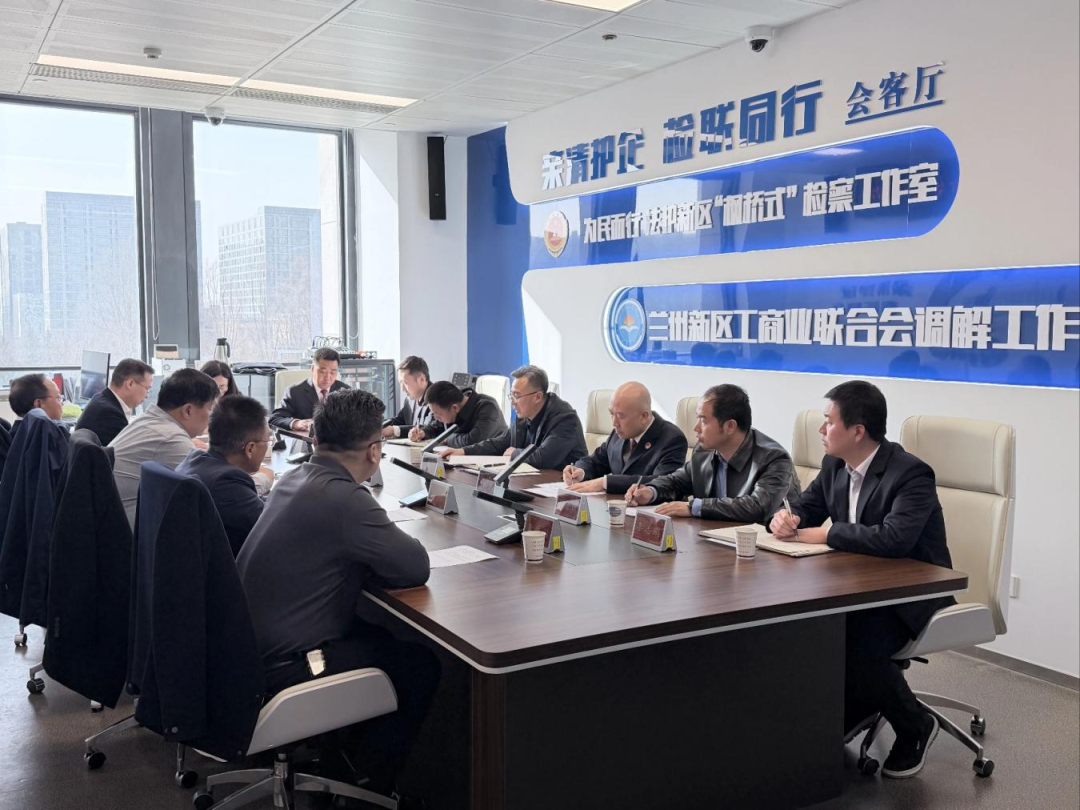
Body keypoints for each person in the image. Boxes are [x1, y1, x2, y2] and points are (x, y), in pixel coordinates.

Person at [237, 390, 437, 796]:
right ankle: (369, 787)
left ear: (317, 439)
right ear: (375, 451)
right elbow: (415, 566)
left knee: (380, 636)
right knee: (421, 665)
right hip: (283, 669)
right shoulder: (345, 498)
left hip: (244, 656)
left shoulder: (295, 478)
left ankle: (341, 760)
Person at [768, 380, 954, 779]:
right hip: (856, 586)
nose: (821, 429)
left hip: (911, 595)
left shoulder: (910, 473)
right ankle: (848, 709)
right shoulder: (835, 465)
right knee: (811, 626)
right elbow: (806, 506)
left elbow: (894, 539)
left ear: (857, 431)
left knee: (855, 639)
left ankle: (915, 724)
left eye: (828, 421)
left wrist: (827, 534)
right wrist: (787, 517)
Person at [626, 384, 798, 522]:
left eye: (703, 420)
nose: (696, 428)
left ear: (730, 426)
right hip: (713, 541)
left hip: (758, 548)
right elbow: (676, 481)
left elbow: (757, 507)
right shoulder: (704, 451)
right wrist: (651, 491)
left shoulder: (774, 459)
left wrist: (694, 507)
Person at [110, 368, 219, 528]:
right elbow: (213, 493)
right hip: (129, 532)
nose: (212, 417)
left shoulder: (149, 421)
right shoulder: (171, 438)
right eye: (211, 409)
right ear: (188, 410)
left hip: (116, 523)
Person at [176, 395, 275, 557]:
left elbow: (252, 503)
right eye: (267, 440)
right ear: (250, 448)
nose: (268, 445)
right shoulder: (226, 482)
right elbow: (272, 526)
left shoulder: (195, 460)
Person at [439, 365, 587, 471]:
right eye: (512, 395)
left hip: (561, 488)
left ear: (537, 397)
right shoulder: (523, 415)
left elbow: (544, 458)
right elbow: (499, 443)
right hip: (531, 481)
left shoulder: (565, 419)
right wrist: (462, 452)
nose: (513, 402)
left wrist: (515, 453)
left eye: (517, 396)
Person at [562, 382, 687, 494]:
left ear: (644, 416)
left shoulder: (672, 439)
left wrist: (606, 482)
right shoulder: (619, 432)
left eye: (621, 416)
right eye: (612, 414)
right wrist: (580, 470)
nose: (614, 423)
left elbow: (662, 482)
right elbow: (597, 460)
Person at [74, 358, 155, 446]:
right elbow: (131, 450)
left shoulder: (101, 398)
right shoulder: (109, 414)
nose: (147, 395)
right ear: (130, 384)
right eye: (147, 389)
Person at [268, 348, 350, 434]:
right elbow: (275, 419)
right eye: (323, 372)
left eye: (333, 372)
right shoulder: (294, 392)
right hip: (307, 440)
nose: (328, 377)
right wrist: (297, 423)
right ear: (312, 369)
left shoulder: (346, 391)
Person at [409, 380, 506, 448]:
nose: (436, 418)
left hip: (495, 461)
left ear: (455, 408)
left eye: (437, 414)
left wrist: (446, 438)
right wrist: (423, 432)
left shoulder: (488, 407)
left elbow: (473, 441)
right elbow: (436, 427)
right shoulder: (450, 404)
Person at [381, 356, 436, 438]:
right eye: (400, 383)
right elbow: (399, 420)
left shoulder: (436, 398)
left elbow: (429, 428)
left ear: (422, 379)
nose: (402, 389)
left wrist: (394, 430)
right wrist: (379, 425)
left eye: (405, 383)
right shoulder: (409, 400)